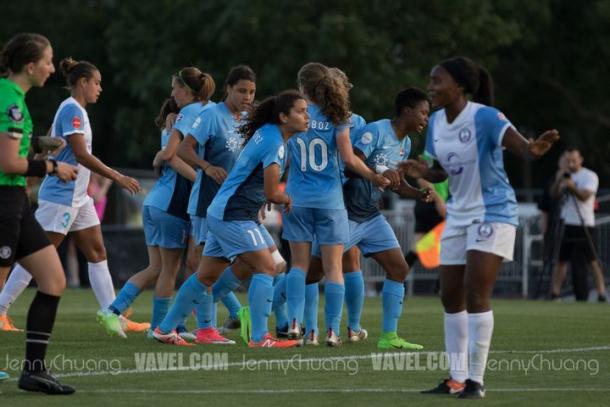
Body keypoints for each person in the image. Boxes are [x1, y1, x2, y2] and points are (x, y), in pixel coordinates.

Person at [400, 56, 559, 398]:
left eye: (437, 80)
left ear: (459, 86)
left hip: (493, 212)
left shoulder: (485, 117)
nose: (431, 87)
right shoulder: (438, 122)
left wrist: (535, 149)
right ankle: (455, 379)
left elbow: (524, 150)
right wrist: (420, 170)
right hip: (458, 214)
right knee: (450, 295)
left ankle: (475, 380)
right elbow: (440, 170)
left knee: (475, 292)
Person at [0, 56, 147, 333]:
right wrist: (117, 176)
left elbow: (54, 141)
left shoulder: (73, 109)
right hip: (62, 197)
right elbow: (81, 154)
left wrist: (44, 150)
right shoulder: (72, 109)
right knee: (39, 254)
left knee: (97, 251)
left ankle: (112, 314)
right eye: (97, 83)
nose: (100, 89)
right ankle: (1, 309)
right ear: (82, 82)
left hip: (79, 198)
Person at [153, 90, 308, 348]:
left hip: (228, 211)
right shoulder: (275, 142)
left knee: (207, 276)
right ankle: (259, 337)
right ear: (283, 116)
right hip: (232, 214)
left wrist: (263, 197)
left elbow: (258, 182)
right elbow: (272, 192)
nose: (306, 117)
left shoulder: (271, 133)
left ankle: (165, 328)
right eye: (301, 111)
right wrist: (286, 199)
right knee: (268, 267)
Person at [306, 87, 432, 349]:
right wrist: (380, 169)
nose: (425, 119)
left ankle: (388, 336)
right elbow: (351, 168)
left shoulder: (405, 143)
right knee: (309, 274)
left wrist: (419, 194)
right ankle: (271, 311)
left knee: (399, 268)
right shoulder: (375, 131)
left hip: (371, 216)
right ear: (407, 111)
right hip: (346, 214)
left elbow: (394, 183)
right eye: (423, 113)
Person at [283, 62, 390, 347]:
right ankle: (333, 331)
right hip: (331, 202)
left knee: (299, 266)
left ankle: (300, 326)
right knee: (333, 268)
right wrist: (373, 176)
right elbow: (348, 158)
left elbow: (283, 158)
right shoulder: (338, 117)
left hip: (297, 200)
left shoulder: (295, 116)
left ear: (303, 88)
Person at [0, 32, 77, 394]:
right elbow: (8, 163)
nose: (51, 68)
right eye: (47, 61)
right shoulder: (10, 100)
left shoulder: (14, 97)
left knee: (53, 280)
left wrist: (36, 146)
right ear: (30, 66)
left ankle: (33, 371)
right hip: (3, 201)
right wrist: (51, 167)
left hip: (17, 203)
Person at [97, 86, 207, 338]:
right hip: (169, 206)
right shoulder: (183, 129)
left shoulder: (171, 126)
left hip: (155, 203)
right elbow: (174, 159)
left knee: (156, 268)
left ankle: (116, 311)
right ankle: (159, 327)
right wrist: (205, 178)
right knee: (169, 269)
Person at [549, 148, 607, 301]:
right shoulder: (564, 174)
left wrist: (571, 185)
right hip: (566, 221)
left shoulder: (589, 176)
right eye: (568, 160)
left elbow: (585, 196)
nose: (571, 163)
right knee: (561, 260)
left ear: (580, 159)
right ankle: (555, 293)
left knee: (593, 260)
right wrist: (558, 180)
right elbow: (554, 195)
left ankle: (601, 293)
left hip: (585, 223)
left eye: (574, 160)